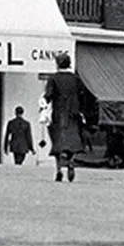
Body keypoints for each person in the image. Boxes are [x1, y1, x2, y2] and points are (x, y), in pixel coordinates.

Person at [44, 53, 85, 182]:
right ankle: (71, 162)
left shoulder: (54, 78)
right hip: (73, 113)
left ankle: (59, 170)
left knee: (57, 141)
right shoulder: (75, 79)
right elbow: (82, 94)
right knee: (73, 140)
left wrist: (44, 101)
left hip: (59, 113)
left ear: (57, 64)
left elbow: (49, 94)